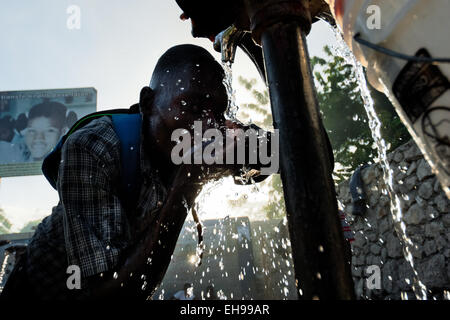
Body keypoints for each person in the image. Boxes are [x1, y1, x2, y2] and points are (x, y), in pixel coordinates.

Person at [0, 44, 271, 300]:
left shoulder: (200, 138)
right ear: (148, 102)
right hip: (41, 289)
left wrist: (254, 143)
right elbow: (109, 295)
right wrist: (188, 183)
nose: (208, 125)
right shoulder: (92, 147)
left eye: (218, 113)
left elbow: (275, 157)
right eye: (192, 106)